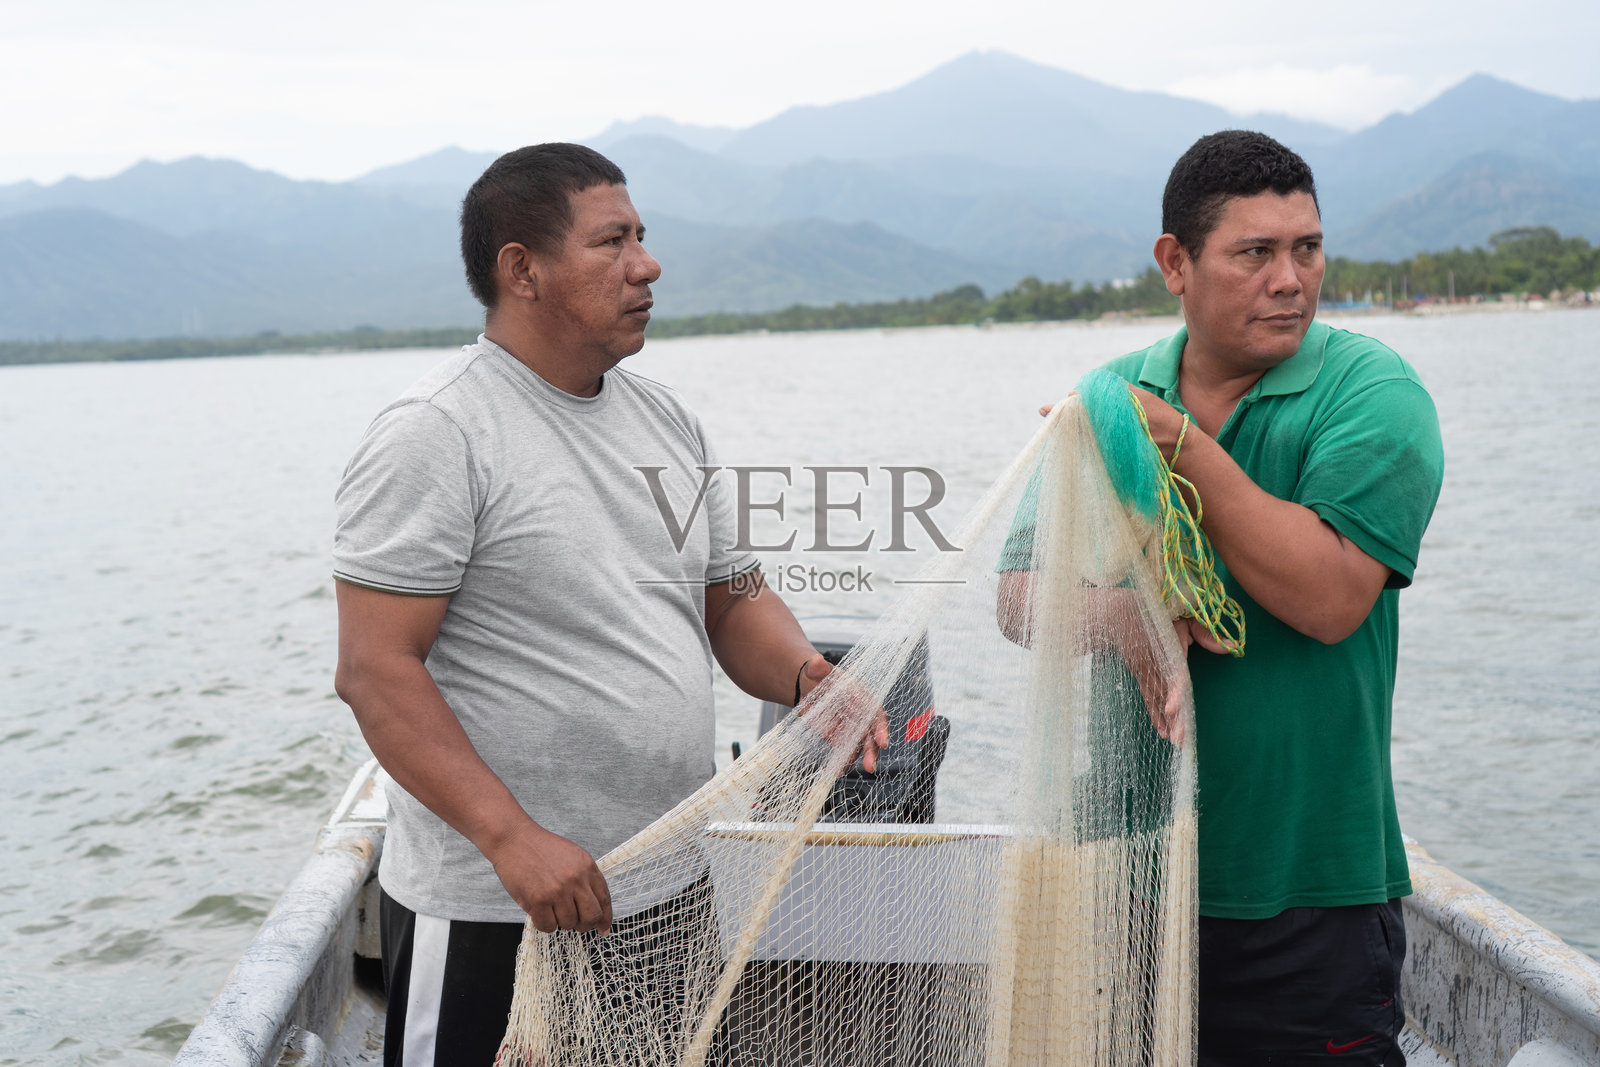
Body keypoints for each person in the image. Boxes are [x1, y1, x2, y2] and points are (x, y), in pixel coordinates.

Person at [332, 142, 887, 1067]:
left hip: (665, 888)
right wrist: (513, 840)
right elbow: (375, 669)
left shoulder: (667, 418)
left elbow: (731, 597)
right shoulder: (438, 430)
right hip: (496, 905)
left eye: (643, 236)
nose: (648, 263)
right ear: (524, 269)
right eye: (612, 241)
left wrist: (806, 674)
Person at [1007, 130, 1444, 1065]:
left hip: (1312, 896)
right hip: (1133, 886)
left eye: (1307, 248)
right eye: (1255, 253)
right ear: (1176, 262)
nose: (1290, 279)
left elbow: (1330, 597)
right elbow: (1017, 596)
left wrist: (1183, 450)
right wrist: (1123, 616)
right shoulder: (1111, 396)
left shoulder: (1370, 392)